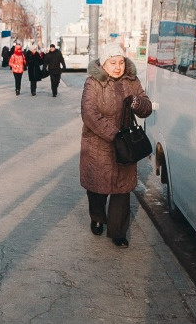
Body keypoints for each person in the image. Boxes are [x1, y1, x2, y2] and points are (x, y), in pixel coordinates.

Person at [80, 42, 152, 248]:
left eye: (121, 62)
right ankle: (97, 217)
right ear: (104, 64)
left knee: (122, 190)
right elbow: (89, 113)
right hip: (98, 145)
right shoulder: (93, 83)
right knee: (97, 188)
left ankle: (118, 232)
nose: (118, 66)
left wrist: (138, 103)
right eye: (113, 62)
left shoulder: (132, 80)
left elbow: (146, 108)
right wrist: (114, 134)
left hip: (126, 146)